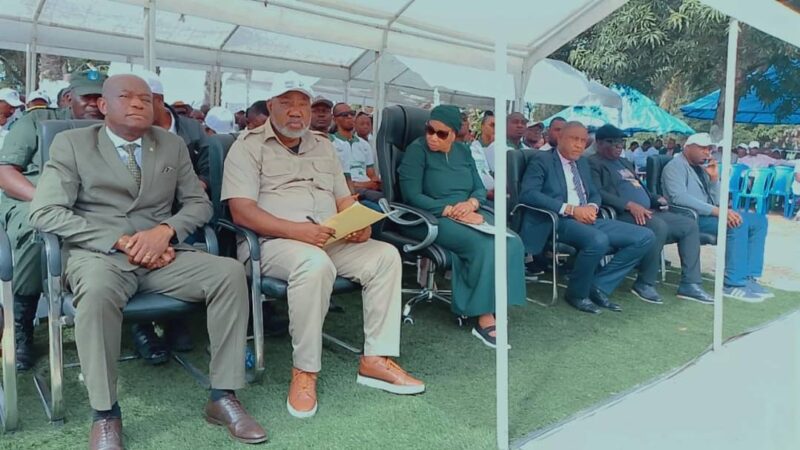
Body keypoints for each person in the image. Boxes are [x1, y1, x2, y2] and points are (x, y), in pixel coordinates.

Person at [28, 74, 267, 449]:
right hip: (100, 255)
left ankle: (223, 396)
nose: (139, 104)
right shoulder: (71, 144)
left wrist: (165, 232)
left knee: (229, 272)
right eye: (126, 96)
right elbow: (46, 212)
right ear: (104, 106)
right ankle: (106, 414)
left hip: (164, 255)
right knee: (98, 290)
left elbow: (199, 204)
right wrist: (120, 241)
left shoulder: (170, 144)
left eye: (145, 98)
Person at [222, 71, 424, 419]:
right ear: (271, 106)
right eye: (287, 103)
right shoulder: (247, 146)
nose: (296, 111)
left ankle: (375, 358)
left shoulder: (323, 144)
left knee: (385, 256)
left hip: (328, 238)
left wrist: (357, 224)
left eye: (303, 103)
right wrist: (296, 231)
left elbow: (344, 199)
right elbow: (241, 212)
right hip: (272, 244)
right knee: (314, 264)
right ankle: (304, 371)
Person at [0, 69, 106, 371]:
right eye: (88, 97)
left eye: (101, 98)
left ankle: (140, 325)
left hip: (88, 202)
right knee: (37, 229)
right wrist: (46, 201)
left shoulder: (112, 129)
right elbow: (6, 172)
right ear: (69, 97)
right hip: (30, 197)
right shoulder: (36, 120)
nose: (94, 104)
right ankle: (22, 327)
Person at [398, 104, 525, 346]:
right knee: (486, 245)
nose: (433, 137)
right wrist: (451, 211)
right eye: (429, 130)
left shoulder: (464, 152)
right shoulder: (417, 150)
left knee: (513, 241)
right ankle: (483, 316)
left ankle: (495, 302)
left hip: (465, 211)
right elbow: (411, 195)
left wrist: (471, 203)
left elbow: (478, 186)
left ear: (456, 134)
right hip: (429, 216)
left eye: (442, 133)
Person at [518, 121, 654, 314]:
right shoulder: (542, 160)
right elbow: (528, 194)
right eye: (574, 139)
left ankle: (598, 286)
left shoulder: (582, 162)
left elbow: (594, 192)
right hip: (557, 220)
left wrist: (591, 206)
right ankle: (577, 294)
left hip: (588, 218)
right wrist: (571, 209)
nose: (579, 145)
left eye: (583, 141)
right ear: (560, 138)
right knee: (598, 240)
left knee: (645, 236)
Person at [589, 125, 712, 305]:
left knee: (688, 225)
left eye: (621, 142)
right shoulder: (592, 162)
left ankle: (690, 284)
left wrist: (655, 199)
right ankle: (644, 283)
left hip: (647, 211)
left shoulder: (624, 162)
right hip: (620, 214)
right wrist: (629, 205)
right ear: (598, 143)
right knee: (658, 227)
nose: (618, 146)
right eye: (612, 142)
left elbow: (639, 187)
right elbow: (597, 192)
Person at [662, 133, 771, 302]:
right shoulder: (675, 166)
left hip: (709, 214)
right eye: (703, 148)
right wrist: (716, 211)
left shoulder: (702, 168)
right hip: (690, 217)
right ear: (688, 147)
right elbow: (678, 197)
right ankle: (733, 283)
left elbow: (719, 201)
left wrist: (714, 179)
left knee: (759, 220)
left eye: (709, 149)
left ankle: (749, 276)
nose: (707, 153)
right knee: (736, 224)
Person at [331, 102, 382, 200]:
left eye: (352, 113)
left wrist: (373, 183)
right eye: (344, 115)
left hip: (366, 188)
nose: (349, 116)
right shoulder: (330, 143)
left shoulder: (364, 144)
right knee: (380, 202)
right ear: (334, 119)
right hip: (347, 189)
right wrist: (365, 185)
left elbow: (371, 174)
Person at [469, 113, 495, 198]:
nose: (496, 128)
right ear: (482, 127)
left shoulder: (503, 148)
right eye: (492, 125)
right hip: (482, 196)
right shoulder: (472, 149)